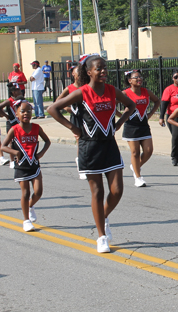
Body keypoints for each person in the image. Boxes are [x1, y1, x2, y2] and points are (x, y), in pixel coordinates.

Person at [47, 54, 135, 253]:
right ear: (89, 72)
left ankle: (102, 218)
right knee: (98, 192)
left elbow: (131, 106)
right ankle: (101, 236)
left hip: (109, 145)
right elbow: (53, 109)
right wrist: (73, 128)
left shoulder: (112, 90)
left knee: (117, 190)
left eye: (105, 67)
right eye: (98, 68)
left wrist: (120, 123)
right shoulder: (82, 92)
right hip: (90, 147)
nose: (103, 71)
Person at [1, 100, 51, 232]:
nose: (26, 114)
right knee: (26, 192)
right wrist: (15, 152)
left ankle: (30, 206)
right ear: (17, 114)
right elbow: (3, 146)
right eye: (22, 111)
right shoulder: (14, 129)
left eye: (29, 111)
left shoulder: (36, 128)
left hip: (34, 165)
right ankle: (26, 220)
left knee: (38, 191)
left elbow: (47, 141)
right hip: (21, 166)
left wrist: (41, 153)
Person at [120, 69, 160, 187]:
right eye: (136, 77)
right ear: (129, 80)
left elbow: (157, 101)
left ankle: (135, 166)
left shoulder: (146, 91)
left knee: (148, 151)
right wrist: (121, 115)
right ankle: (138, 177)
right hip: (131, 125)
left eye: (140, 77)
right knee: (135, 152)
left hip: (143, 125)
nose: (139, 79)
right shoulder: (125, 93)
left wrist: (151, 114)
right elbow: (112, 103)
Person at [55, 65, 84, 179]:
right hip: (76, 118)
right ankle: (81, 167)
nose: (81, 75)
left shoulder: (86, 87)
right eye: (78, 73)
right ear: (73, 75)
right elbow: (58, 102)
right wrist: (68, 108)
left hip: (87, 118)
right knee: (80, 142)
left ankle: (83, 161)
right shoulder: (69, 88)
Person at [159, 69, 178, 166]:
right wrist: (161, 117)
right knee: (176, 136)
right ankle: (174, 157)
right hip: (173, 116)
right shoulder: (169, 89)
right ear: (172, 78)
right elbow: (164, 103)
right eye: (176, 77)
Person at [0, 82, 24, 168]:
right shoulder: (9, 101)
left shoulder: (21, 100)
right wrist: (6, 116)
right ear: (13, 92)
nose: (21, 91)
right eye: (18, 90)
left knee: (21, 141)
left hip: (20, 123)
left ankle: (21, 157)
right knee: (12, 142)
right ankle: (12, 161)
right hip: (12, 123)